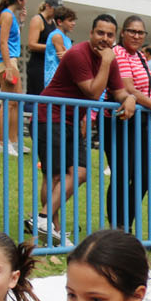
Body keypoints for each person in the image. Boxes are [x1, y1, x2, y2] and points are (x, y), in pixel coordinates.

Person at [33, 13, 120, 246]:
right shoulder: (78, 54)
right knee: (54, 175)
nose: (104, 38)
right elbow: (93, 92)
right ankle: (51, 228)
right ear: (91, 33)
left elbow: (119, 91)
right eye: (100, 33)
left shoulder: (108, 60)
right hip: (49, 115)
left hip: (72, 120)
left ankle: (43, 220)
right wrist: (106, 62)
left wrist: (130, 99)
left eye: (110, 35)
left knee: (80, 173)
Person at [104, 15, 151, 232]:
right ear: (123, 33)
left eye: (140, 32)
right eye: (132, 31)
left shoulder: (140, 57)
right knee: (122, 175)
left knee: (144, 176)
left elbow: (143, 91)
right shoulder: (118, 53)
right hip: (121, 120)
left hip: (140, 122)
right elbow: (128, 89)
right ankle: (118, 228)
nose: (136, 36)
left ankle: (125, 226)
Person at [0, 0, 28, 155]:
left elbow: (13, 38)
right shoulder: (6, 15)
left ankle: (13, 141)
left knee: (16, 102)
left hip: (11, 60)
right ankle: (2, 143)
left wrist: (21, 22)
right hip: (6, 61)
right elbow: (3, 42)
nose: (25, 2)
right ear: (19, 0)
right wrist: (8, 67)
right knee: (8, 103)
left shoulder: (11, 16)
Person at [26, 0, 62, 108]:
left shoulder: (54, 23)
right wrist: (51, 47)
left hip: (49, 65)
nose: (57, 12)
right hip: (38, 66)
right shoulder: (38, 20)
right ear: (47, 6)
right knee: (36, 98)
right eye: (55, 9)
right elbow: (32, 44)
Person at [43, 6, 77, 89]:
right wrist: (71, 55)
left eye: (74, 20)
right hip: (54, 80)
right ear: (59, 22)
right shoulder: (57, 35)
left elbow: (68, 58)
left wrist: (69, 55)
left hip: (64, 80)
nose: (73, 23)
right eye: (70, 20)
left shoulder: (67, 39)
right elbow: (64, 59)